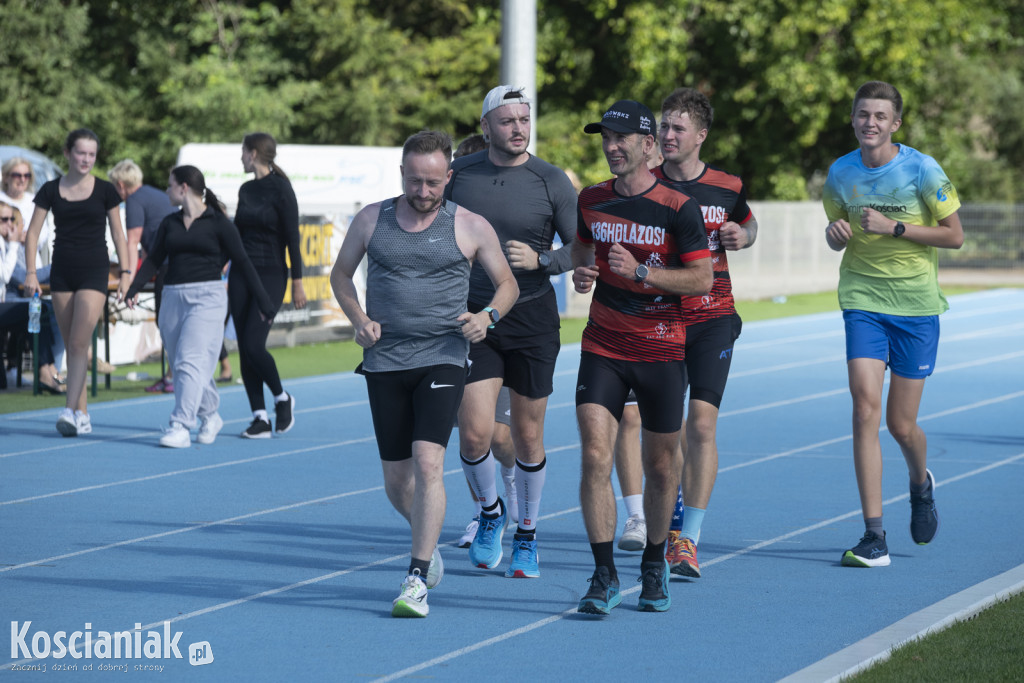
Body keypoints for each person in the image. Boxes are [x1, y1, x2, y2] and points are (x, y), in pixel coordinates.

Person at [330, 130, 518, 617]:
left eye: (433, 182)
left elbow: (507, 286)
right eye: (415, 181)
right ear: (401, 174)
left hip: (443, 355)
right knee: (397, 479)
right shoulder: (373, 219)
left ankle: (415, 578)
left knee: (429, 461)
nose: (423, 191)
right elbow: (340, 275)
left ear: (448, 177)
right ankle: (427, 543)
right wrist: (358, 318)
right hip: (385, 359)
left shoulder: (471, 226)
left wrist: (486, 318)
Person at [614, 88, 761, 578]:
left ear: (700, 136)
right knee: (664, 431)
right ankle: (653, 511)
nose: (668, 135)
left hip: (714, 317)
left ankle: (688, 541)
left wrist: (745, 236)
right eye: (664, 126)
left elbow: (748, 222)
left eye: (678, 128)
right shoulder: (643, 185)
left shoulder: (726, 185)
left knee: (700, 425)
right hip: (658, 318)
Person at [572, 99, 711, 615]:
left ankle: (654, 561)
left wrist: (641, 274)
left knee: (658, 465)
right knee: (593, 454)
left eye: (621, 139)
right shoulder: (591, 200)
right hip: (603, 344)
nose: (611, 147)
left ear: (648, 146)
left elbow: (700, 279)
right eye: (605, 138)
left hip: (660, 350)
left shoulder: (678, 207)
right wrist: (582, 272)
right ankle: (604, 573)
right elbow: (584, 252)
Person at [824, 81, 962, 567]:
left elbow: (955, 236)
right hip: (862, 300)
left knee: (900, 425)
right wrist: (835, 234)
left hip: (917, 309)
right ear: (855, 119)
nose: (871, 123)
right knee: (864, 410)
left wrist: (895, 227)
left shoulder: (922, 169)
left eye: (880, 116)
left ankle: (920, 485)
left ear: (895, 123)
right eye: (863, 114)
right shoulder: (841, 173)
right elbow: (836, 233)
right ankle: (873, 534)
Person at [444, 85, 578, 579]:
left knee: (525, 435)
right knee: (476, 431)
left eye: (524, 120)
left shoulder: (550, 180)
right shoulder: (458, 177)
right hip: (474, 321)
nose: (519, 128)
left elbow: (583, 248)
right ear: (486, 127)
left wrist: (544, 260)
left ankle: (527, 535)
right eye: (508, 121)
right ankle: (490, 514)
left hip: (532, 320)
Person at [125, 166, 276, 448]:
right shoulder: (170, 223)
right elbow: (155, 260)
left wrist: (264, 301)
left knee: (188, 361)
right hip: (171, 297)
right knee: (182, 364)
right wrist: (134, 288)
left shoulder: (219, 223)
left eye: (170, 186)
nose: (166, 191)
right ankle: (211, 415)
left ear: (183, 188)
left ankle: (181, 424)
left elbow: (242, 262)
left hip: (208, 298)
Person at [22, 129, 131, 436]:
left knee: (80, 342)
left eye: (91, 154)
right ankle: (82, 415)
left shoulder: (106, 190)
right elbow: (32, 233)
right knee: (72, 345)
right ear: (68, 153)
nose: (86, 159)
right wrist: (32, 271)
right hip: (62, 272)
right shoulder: (50, 189)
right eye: (81, 153)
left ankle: (69, 411)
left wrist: (125, 273)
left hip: (94, 271)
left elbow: (120, 235)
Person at [449, 132, 520, 547]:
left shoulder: (502, 210)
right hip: (460, 331)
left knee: (500, 436)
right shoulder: (445, 215)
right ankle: (484, 511)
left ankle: (511, 488)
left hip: (508, 326)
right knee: (471, 432)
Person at [232, 133, 306, 438]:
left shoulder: (281, 188)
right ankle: (259, 417)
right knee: (244, 350)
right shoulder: (245, 189)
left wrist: (298, 281)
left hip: (272, 274)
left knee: (253, 344)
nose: (240, 158)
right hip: (241, 274)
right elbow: (235, 235)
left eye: (242, 152)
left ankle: (281, 397)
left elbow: (292, 237)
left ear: (252, 154)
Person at [108, 159, 181, 392]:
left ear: (120, 184)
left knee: (167, 323)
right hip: (177, 263)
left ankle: (175, 376)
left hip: (168, 266)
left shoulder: (135, 200)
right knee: (172, 322)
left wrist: (128, 277)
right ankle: (173, 375)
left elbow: (133, 241)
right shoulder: (156, 195)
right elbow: (149, 245)